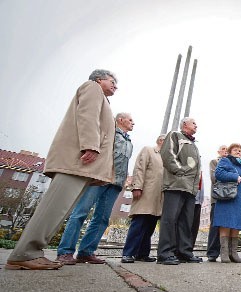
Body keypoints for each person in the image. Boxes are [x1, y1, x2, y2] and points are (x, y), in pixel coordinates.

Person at [6, 69, 117, 270]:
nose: (116, 86)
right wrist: (90, 145)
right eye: (112, 81)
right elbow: (88, 116)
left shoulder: (101, 97)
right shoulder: (92, 88)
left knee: (61, 209)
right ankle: (25, 253)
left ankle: (31, 252)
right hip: (77, 161)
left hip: (82, 164)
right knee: (54, 206)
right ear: (99, 79)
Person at [56, 112, 134, 265]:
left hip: (115, 183)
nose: (133, 122)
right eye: (130, 120)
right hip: (98, 178)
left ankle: (86, 252)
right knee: (80, 213)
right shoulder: (109, 133)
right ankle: (65, 251)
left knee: (102, 218)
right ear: (121, 120)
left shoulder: (129, 142)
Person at [157, 117, 202, 265]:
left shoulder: (193, 144)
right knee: (170, 219)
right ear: (184, 124)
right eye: (193, 123)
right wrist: (179, 171)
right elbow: (168, 154)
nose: (196, 125)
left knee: (185, 221)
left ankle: (184, 252)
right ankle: (165, 253)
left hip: (190, 188)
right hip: (176, 184)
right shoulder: (175, 135)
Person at [121, 135, 165, 263]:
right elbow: (140, 169)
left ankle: (142, 253)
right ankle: (128, 253)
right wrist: (137, 186)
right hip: (146, 193)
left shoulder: (165, 157)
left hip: (158, 197)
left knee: (150, 225)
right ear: (161, 141)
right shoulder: (149, 150)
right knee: (139, 223)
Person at [213, 143, 241, 263]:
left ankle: (233, 253)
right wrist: (234, 176)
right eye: (235, 150)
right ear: (230, 152)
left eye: (240, 150)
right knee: (226, 222)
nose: (238, 152)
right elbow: (218, 173)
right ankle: (224, 253)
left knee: (236, 224)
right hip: (228, 197)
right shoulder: (225, 161)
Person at [206, 145, 228, 262]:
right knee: (215, 225)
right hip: (218, 198)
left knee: (228, 226)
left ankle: (226, 252)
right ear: (218, 151)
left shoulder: (231, 163)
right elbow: (214, 178)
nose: (225, 151)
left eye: (227, 149)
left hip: (230, 198)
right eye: (223, 149)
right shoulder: (214, 162)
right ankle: (212, 253)